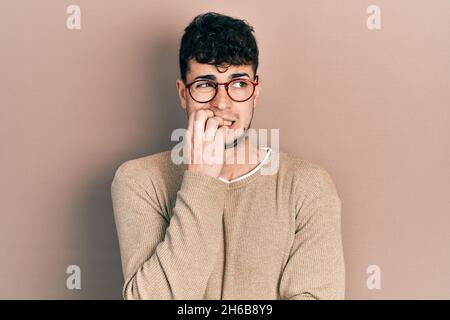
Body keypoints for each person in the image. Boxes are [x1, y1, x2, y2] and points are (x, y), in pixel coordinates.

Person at [111, 12, 345, 300]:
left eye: (238, 83)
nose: (222, 103)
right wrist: (201, 180)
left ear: (255, 91)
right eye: (205, 84)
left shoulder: (307, 186)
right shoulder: (139, 181)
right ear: (183, 93)